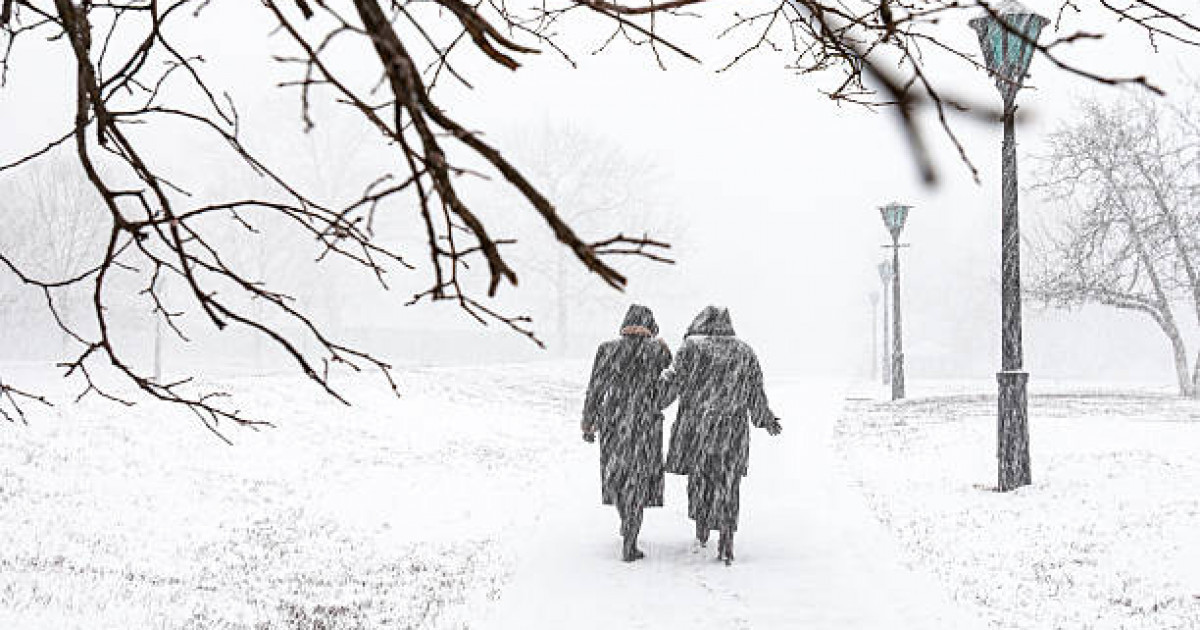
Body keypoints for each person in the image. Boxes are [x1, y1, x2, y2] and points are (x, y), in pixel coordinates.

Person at [661, 306, 782, 565]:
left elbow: (673, 382)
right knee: (729, 482)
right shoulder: (744, 351)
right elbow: (755, 391)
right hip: (733, 428)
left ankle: (702, 526)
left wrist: (655, 403)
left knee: (700, 477)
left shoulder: (691, 347)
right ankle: (727, 539)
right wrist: (765, 419)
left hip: (697, 427)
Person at [581, 304, 673, 562]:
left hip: (614, 423)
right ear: (651, 326)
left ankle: (626, 520)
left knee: (620, 475)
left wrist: (589, 422)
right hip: (646, 424)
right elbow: (671, 384)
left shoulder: (607, 349)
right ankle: (631, 537)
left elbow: (595, 389)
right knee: (639, 479)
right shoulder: (658, 351)